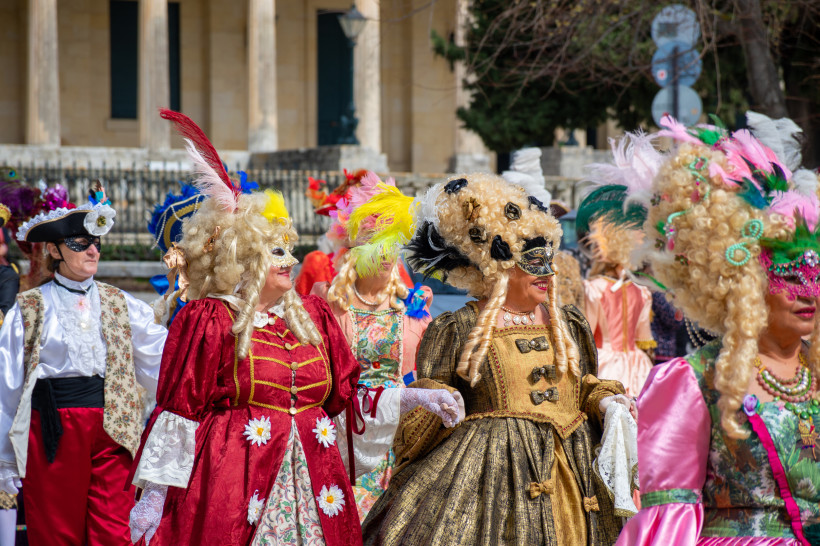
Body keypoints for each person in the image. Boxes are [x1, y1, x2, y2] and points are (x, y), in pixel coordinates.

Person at [128, 110, 459, 546]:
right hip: (234, 484)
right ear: (244, 261)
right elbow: (180, 412)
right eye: (276, 252)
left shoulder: (313, 317)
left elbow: (345, 403)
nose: (291, 260)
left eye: (290, 249)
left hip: (317, 488)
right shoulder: (211, 319)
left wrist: (415, 397)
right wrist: (155, 496)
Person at [362, 173, 636, 545]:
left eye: (549, 259)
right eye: (534, 261)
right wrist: (439, 401)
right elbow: (430, 401)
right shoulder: (460, 328)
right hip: (493, 482)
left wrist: (605, 401)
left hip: (574, 479)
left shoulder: (567, 323)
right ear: (498, 266)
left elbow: (582, 387)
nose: (549, 272)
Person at [608, 112, 820, 544]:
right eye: (790, 276)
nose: (808, 292)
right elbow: (669, 514)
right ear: (746, 283)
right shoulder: (693, 380)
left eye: (816, 275)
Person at [0, 189, 167, 545]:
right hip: (54, 431)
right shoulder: (29, 308)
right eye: (80, 243)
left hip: (115, 426)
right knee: (57, 532)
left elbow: (162, 357)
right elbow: (7, 387)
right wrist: (5, 458)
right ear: (54, 250)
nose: (93, 251)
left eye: (96, 243)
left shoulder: (121, 302)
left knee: (115, 530)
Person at [311, 173, 433, 520]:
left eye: (393, 245)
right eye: (379, 245)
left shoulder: (413, 309)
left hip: (397, 433)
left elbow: (426, 370)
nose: (387, 254)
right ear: (356, 252)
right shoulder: (330, 304)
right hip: (345, 430)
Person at [581, 217, 655, 396]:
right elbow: (643, 337)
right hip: (638, 366)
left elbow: (587, 335)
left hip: (605, 364)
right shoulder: (642, 292)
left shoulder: (594, 289)